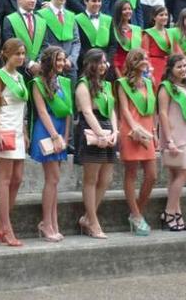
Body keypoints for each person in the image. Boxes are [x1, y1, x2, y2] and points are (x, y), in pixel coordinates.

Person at [0, 39, 29, 246]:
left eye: (23, 53)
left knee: (18, 178)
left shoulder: (20, 77)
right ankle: (6, 226)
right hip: (4, 127)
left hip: (18, 130)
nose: (21, 57)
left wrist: (24, 131)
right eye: (17, 54)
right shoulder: (0, 76)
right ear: (6, 54)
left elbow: (20, 106)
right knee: (4, 179)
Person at [73, 48, 118, 239]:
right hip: (92, 130)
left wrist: (115, 131)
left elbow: (112, 110)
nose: (103, 66)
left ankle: (87, 217)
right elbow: (87, 112)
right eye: (100, 62)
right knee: (91, 179)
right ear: (91, 64)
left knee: (106, 179)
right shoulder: (83, 85)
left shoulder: (106, 84)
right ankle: (93, 220)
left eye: (105, 62)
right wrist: (100, 134)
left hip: (107, 129)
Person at [29, 46, 72, 242]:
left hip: (61, 131)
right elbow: (42, 111)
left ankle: (53, 222)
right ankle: (46, 222)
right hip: (46, 130)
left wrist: (65, 135)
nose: (62, 63)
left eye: (63, 60)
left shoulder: (64, 82)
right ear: (49, 61)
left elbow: (68, 112)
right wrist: (55, 136)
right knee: (51, 178)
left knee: (55, 180)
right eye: (58, 60)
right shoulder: (38, 83)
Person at [116, 49, 157, 236]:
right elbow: (124, 109)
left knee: (152, 175)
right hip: (131, 131)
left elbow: (153, 109)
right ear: (134, 62)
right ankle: (136, 214)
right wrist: (136, 130)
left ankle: (136, 211)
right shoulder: (122, 83)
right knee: (131, 173)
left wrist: (154, 131)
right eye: (142, 59)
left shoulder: (149, 82)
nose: (146, 61)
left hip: (147, 130)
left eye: (147, 58)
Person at [158, 54, 186, 231]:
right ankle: (169, 211)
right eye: (179, 67)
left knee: (176, 176)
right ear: (171, 69)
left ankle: (176, 213)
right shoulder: (166, 87)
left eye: (185, 66)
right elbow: (163, 114)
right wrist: (169, 140)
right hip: (174, 134)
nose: (183, 70)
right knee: (184, 173)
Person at [0, 0, 47, 80]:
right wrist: (29, 64)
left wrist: (38, 63)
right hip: (17, 70)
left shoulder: (42, 21)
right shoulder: (9, 19)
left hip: (38, 70)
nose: (33, 0)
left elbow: (44, 45)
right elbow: (11, 46)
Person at [37, 0, 80, 83]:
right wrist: (57, 60)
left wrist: (70, 59)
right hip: (51, 66)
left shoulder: (71, 15)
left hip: (70, 67)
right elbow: (43, 42)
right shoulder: (41, 15)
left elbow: (76, 41)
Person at [76, 0, 114, 73]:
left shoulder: (108, 19)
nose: (97, 4)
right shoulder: (76, 20)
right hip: (85, 66)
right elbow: (77, 44)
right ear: (85, 1)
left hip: (105, 68)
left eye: (99, 1)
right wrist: (89, 62)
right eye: (94, 1)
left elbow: (113, 44)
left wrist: (106, 62)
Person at [111, 0, 142, 78]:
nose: (128, 11)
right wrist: (118, 73)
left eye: (129, 9)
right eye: (124, 9)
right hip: (118, 68)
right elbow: (113, 54)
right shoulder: (113, 29)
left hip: (135, 68)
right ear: (118, 12)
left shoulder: (137, 30)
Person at [142, 5, 171, 86]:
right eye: (161, 15)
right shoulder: (148, 33)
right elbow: (145, 53)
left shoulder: (170, 32)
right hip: (154, 66)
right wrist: (149, 70)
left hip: (168, 66)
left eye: (166, 15)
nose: (164, 17)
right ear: (154, 17)